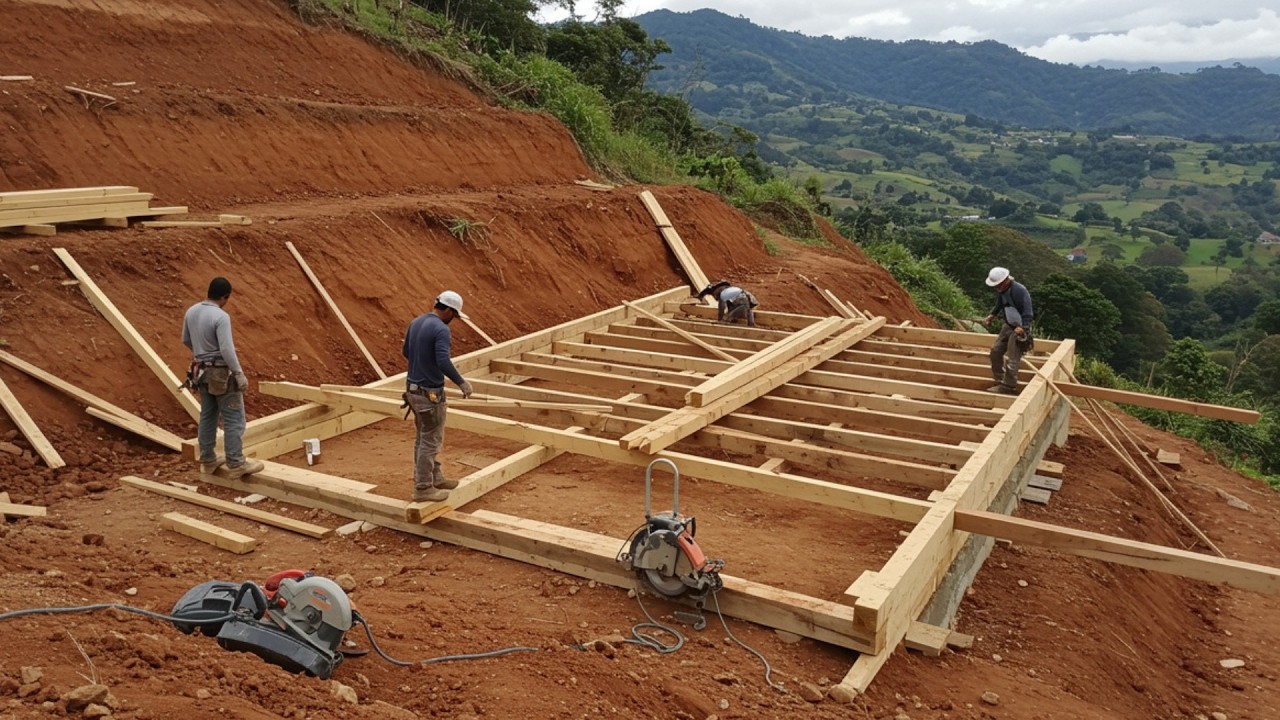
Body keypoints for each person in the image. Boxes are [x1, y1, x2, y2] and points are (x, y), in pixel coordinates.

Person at [182, 277, 264, 479]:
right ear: (225, 297)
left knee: (208, 416)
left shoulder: (191, 311)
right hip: (221, 374)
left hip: (200, 372)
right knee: (234, 417)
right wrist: (238, 373)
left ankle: (207, 459)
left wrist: (202, 355)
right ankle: (235, 462)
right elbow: (227, 349)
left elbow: (185, 339)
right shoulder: (220, 316)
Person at [402, 290, 474, 503]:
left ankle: (435, 477)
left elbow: (406, 352)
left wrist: (422, 365)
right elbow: (442, 360)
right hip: (429, 394)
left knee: (423, 437)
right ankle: (423, 488)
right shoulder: (441, 329)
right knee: (430, 441)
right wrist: (461, 382)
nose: (455, 320)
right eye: (456, 315)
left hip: (413, 391)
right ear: (450, 310)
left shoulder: (417, 322)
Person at [983, 266, 1034, 395]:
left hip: (1020, 328)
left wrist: (1023, 327)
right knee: (995, 351)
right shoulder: (1003, 290)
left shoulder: (1019, 291)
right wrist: (992, 315)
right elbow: (1000, 303)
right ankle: (1000, 380)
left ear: (1006, 280)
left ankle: (1008, 386)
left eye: (999, 285)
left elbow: (1028, 312)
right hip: (1008, 325)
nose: (997, 288)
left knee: (1012, 359)